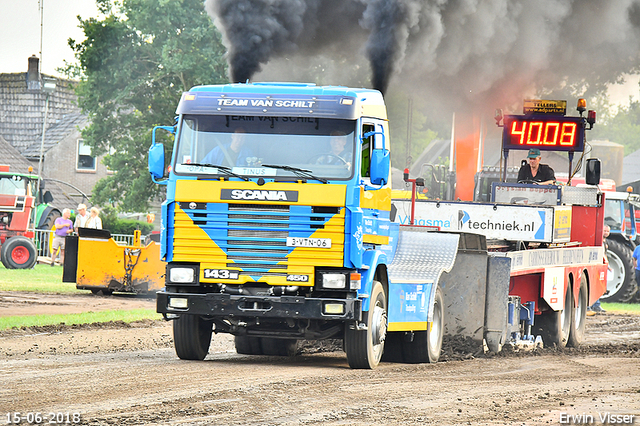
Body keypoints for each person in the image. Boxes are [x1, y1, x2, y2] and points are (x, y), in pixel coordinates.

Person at [588, 225, 610, 315]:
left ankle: (596, 305)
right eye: (604, 230)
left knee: (598, 285)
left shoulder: (605, 243)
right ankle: (591, 306)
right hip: (595, 266)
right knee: (593, 285)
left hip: (601, 266)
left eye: (607, 231)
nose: (606, 233)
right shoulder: (598, 241)